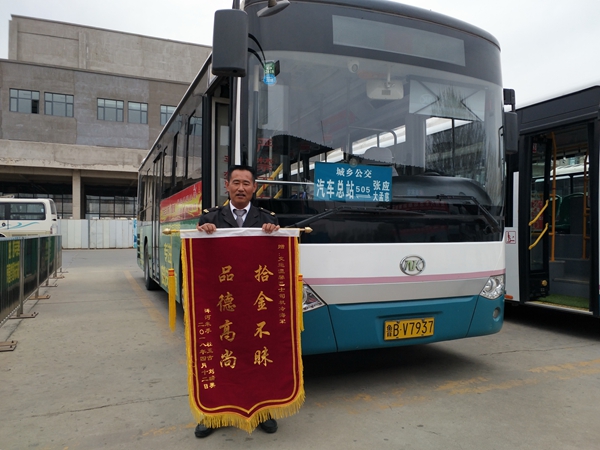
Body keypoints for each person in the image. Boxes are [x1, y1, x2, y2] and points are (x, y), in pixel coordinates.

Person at [194, 164, 280, 438]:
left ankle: (263, 410)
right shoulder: (210, 219)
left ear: (255, 188)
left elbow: (278, 260)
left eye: (246, 183)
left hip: (256, 304)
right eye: (236, 182)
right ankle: (214, 413)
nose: (241, 188)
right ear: (227, 186)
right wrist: (202, 232)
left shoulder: (267, 219)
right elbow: (199, 262)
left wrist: (274, 233)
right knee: (219, 357)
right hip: (223, 304)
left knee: (259, 357)